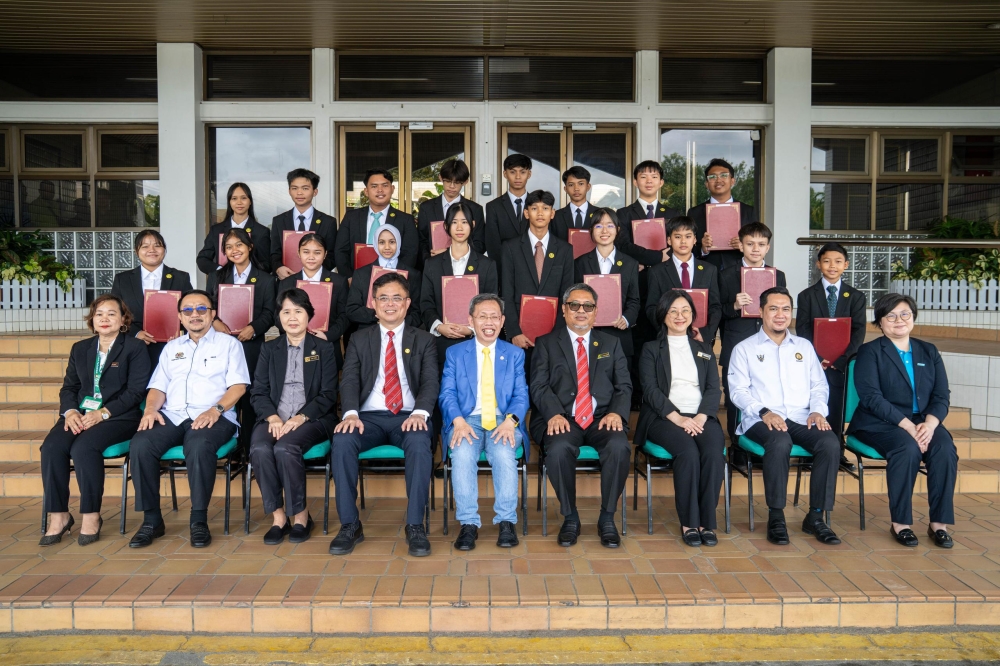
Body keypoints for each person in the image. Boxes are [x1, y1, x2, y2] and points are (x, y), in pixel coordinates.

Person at [127, 290, 251, 549]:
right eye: (188, 311)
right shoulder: (172, 348)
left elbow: (239, 387)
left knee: (197, 444)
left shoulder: (230, 345)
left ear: (213, 314)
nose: (195, 315)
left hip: (216, 414)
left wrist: (215, 410)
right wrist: (150, 410)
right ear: (180, 318)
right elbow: (158, 387)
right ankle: (151, 519)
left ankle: (198, 520)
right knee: (140, 444)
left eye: (202, 309)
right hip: (173, 414)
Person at [329, 273, 439, 557]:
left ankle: (415, 524)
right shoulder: (358, 338)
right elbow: (350, 378)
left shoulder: (424, 340)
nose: (390, 304)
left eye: (397, 298)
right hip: (368, 417)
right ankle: (350, 524)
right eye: (383, 298)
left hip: (408, 416)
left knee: (418, 442)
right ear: (373, 304)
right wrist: (350, 413)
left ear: (407, 303)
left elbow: (430, 382)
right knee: (342, 441)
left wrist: (420, 412)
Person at [728, 287, 842, 547]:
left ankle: (816, 516)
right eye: (774, 309)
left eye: (786, 309)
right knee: (780, 442)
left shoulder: (803, 346)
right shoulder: (744, 348)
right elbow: (738, 391)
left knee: (830, 443)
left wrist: (817, 410)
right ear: (761, 312)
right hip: (760, 418)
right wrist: (763, 411)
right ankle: (776, 516)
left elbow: (819, 385)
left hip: (802, 417)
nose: (780, 315)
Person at [39, 295, 150, 546]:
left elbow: (135, 392)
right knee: (52, 447)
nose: (105, 319)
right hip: (80, 414)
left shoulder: (134, 348)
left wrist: (103, 413)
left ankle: (91, 515)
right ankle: (59, 515)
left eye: (112, 313)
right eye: (99, 313)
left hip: (119, 416)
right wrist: (70, 412)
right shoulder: (81, 348)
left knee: (84, 447)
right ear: (92, 319)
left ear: (123, 320)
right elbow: (69, 388)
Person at [848, 294, 957, 549]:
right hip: (879, 423)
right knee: (906, 448)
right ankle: (901, 523)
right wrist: (908, 426)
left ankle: (939, 524)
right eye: (891, 316)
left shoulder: (928, 351)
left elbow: (942, 395)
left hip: (923, 422)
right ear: (881, 322)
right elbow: (871, 397)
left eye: (905, 314)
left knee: (944, 449)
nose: (899, 320)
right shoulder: (870, 352)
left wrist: (929, 425)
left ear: (913, 317)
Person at [530, 284, 632, 548]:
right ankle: (570, 516)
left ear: (595, 312)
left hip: (601, 418)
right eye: (574, 305)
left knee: (619, 446)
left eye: (588, 306)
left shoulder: (611, 343)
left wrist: (616, 413)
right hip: (562, 417)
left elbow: (624, 386)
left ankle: (607, 517)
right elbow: (539, 385)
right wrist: (552, 413)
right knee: (559, 447)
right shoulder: (546, 343)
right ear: (564, 310)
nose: (581, 311)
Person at [635, 290, 726, 547]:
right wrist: (677, 418)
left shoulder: (703, 348)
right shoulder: (651, 349)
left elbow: (712, 388)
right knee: (687, 452)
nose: (679, 316)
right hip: (664, 418)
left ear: (692, 316)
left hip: (700, 416)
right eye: (673, 311)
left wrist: (700, 416)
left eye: (685, 310)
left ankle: (706, 522)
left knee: (712, 452)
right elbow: (650, 389)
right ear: (663, 315)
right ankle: (689, 522)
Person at [249, 289, 339, 545]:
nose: (292, 317)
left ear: (309, 315)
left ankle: (301, 516)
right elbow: (259, 392)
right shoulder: (269, 349)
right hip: (275, 417)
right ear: (278, 317)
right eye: (286, 311)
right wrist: (273, 417)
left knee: (286, 448)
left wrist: (300, 418)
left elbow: (328, 394)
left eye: (298, 311)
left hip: (313, 418)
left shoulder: (324, 348)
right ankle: (279, 517)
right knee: (259, 448)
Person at [439, 294, 529, 550]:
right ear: (471, 320)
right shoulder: (455, 353)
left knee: (502, 454)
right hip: (466, 420)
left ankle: (506, 521)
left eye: (494, 317)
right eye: (482, 316)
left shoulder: (514, 354)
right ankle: (468, 524)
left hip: (503, 420)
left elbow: (521, 395)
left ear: (502, 321)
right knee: (463, 454)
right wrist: (457, 421)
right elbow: (447, 393)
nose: (488, 322)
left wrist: (511, 421)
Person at [795, 242, 866, 463]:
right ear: (818, 264)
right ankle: (811, 450)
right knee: (810, 404)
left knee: (835, 405)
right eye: (826, 261)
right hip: (814, 362)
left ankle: (836, 453)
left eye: (837, 261)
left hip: (840, 364)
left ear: (846, 264)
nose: (832, 266)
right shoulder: (807, 295)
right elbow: (803, 329)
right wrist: (817, 358)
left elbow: (858, 331)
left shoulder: (855, 297)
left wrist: (842, 360)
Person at [206, 228, 277, 450]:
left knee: (249, 395)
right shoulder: (216, 277)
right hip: (221, 345)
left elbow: (270, 311)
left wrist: (254, 328)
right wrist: (214, 322)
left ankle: (249, 448)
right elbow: (208, 306)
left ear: (249, 246)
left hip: (252, 346)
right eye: (229, 247)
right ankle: (229, 446)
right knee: (222, 391)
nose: (234, 250)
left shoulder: (265, 278)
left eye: (239, 245)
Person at [718, 222, 786, 444]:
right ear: (741, 245)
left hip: (770, 343)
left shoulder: (778, 275)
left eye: (761, 244)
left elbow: (782, 311)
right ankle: (737, 444)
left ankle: (765, 439)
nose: (755, 249)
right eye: (750, 244)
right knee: (734, 397)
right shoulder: (727, 275)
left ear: (768, 247)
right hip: (737, 340)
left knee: (767, 392)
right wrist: (734, 306)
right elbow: (717, 311)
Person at [420, 201, 498, 369]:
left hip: (476, 341)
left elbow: (492, 304)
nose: (460, 227)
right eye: (454, 222)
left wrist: (471, 329)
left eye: (464, 222)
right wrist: (439, 326)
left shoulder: (487, 265)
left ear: (473, 225)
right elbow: (426, 303)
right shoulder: (432, 265)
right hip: (440, 342)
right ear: (446, 226)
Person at [500, 190, 574, 355]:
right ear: (526, 213)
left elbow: (567, 295)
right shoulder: (510, 248)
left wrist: (558, 333)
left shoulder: (565, 250)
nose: (540, 213)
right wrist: (513, 332)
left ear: (552, 213)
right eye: (534, 208)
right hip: (519, 336)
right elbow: (507, 292)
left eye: (545, 208)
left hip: (554, 335)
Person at [110, 229, 193, 371]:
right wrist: (135, 333)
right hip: (134, 344)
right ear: (137, 251)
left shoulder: (181, 277)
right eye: (145, 246)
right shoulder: (122, 280)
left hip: (172, 345)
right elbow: (115, 312)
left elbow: (191, 308)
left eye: (157, 245)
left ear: (164, 250)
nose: (152, 250)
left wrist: (180, 334)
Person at [573, 208, 640, 360]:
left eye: (609, 225)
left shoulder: (630, 264)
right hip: (587, 335)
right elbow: (574, 299)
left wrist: (627, 319)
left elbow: (634, 300)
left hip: (620, 336)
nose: (604, 230)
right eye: (598, 226)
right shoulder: (580, 263)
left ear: (617, 230)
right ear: (591, 231)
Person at [645, 216, 722, 345]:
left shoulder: (710, 270)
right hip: (669, 339)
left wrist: (705, 333)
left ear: (695, 239)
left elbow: (715, 307)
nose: (683, 241)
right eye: (677, 236)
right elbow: (651, 307)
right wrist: (669, 330)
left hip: (701, 339)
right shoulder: (656, 271)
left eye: (688, 236)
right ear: (669, 240)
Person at [277, 234, 350, 368]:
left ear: (325, 254)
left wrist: (328, 335)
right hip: (295, 345)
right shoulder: (286, 283)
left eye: (317, 252)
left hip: (328, 345)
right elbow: (277, 316)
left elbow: (345, 315)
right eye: (306, 252)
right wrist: (295, 333)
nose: (311, 257)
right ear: (298, 253)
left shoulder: (339, 281)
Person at [334, 168, 418, 280]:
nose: (380, 190)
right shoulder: (351, 217)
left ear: (392, 189)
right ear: (366, 191)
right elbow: (341, 251)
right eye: (374, 186)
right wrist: (349, 278)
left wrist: (396, 280)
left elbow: (410, 253)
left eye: (385, 185)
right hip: (356, 281)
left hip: (393, 282)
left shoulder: (405, 220)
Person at [687, 158, 759, 272]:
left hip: (738, 269)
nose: (718, 180)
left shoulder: (748, 211)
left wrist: (744, 245)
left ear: (732, 181)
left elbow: (758, 245)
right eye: (712, 177)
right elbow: (687, 246)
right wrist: (702, 249)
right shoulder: (694, 213)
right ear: (706, 184)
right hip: (705, 270)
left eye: (723, 175)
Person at [346, 224, 423, 328]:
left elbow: (418, 313)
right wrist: (380, 315)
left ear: (399, 242)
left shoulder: (413, 275)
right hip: (368, 334)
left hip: (403, 333)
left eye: (392, 242)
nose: (387, 247)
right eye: (381, 242)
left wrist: (397, 323)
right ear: (375, 244)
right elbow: (352, 310)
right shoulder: (361, 274)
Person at [416, 158, 486, 267]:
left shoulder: (475, 209)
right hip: (433, 266)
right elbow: (421, 240)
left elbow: (480, 244)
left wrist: (449, 253)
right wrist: (429, 261)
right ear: (440, 178)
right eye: (448, 181)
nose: (452, 186)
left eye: (457, 182)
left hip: (466, 266)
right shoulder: (427, 208)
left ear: (466, 181)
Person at [270, 168, 338, 279]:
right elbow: (274, 253)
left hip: (317, 280)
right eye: (294, 188)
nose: (299, 193)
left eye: (305, 188)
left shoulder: (328, 222)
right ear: (289, 191)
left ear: (315, 192)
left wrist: (312, 272)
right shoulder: (279, 221)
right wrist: (278, 268)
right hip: (286, 280)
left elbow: (332, 255)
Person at [614, 161, 681, 268]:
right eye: (643, 177)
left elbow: (678, 243)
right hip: (637, 273)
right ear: (635, 182)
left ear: (661, 182)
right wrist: (656, 257)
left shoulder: (673, 214)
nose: (649, 181)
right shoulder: (623, 213)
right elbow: (623, 245)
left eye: (654, 177)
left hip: (666, 271)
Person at [197, 182, 272, 275]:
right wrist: (221, 271)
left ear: (250, 201)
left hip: (252, 284)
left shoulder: (261, 231)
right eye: (234, 198)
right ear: (229, 202)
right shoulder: (216, 230)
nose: (239, 202)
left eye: (244, 198)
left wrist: (245, 272)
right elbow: (202, 259)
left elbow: (267, 264)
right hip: (221, 283)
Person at [484, 154, 532, 282]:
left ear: (529, 174)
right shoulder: (493, 207)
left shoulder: (538, 205)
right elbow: (492, 245)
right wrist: (507, 270)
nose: (517, 177)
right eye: (512, 172)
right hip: (505, 272)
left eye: (522, 172)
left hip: (535, 270)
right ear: (505, 174)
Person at [551, 166, 596, 240]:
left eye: (581, 184)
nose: (576, 189)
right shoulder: (556, 217)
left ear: (588, 186)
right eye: (571, 185)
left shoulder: (600, 214)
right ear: (565, 189)